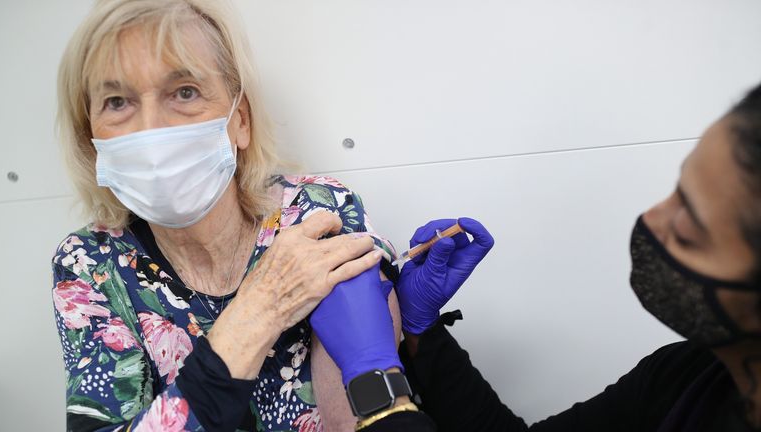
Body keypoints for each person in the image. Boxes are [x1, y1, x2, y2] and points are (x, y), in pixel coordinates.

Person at [310, 80, 761, 431]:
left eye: (691, 222)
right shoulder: (691, 380)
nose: (654, 219)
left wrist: (378, 388)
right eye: (676, 190)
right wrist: (422, 330)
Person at [51, 0, 400, 431]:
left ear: (241, 121)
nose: (151, 129)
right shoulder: (90, 265)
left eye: (185, 92)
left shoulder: (313, 212)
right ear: (89, 135)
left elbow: (366, 413)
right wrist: (259, 311)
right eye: (117, 101)